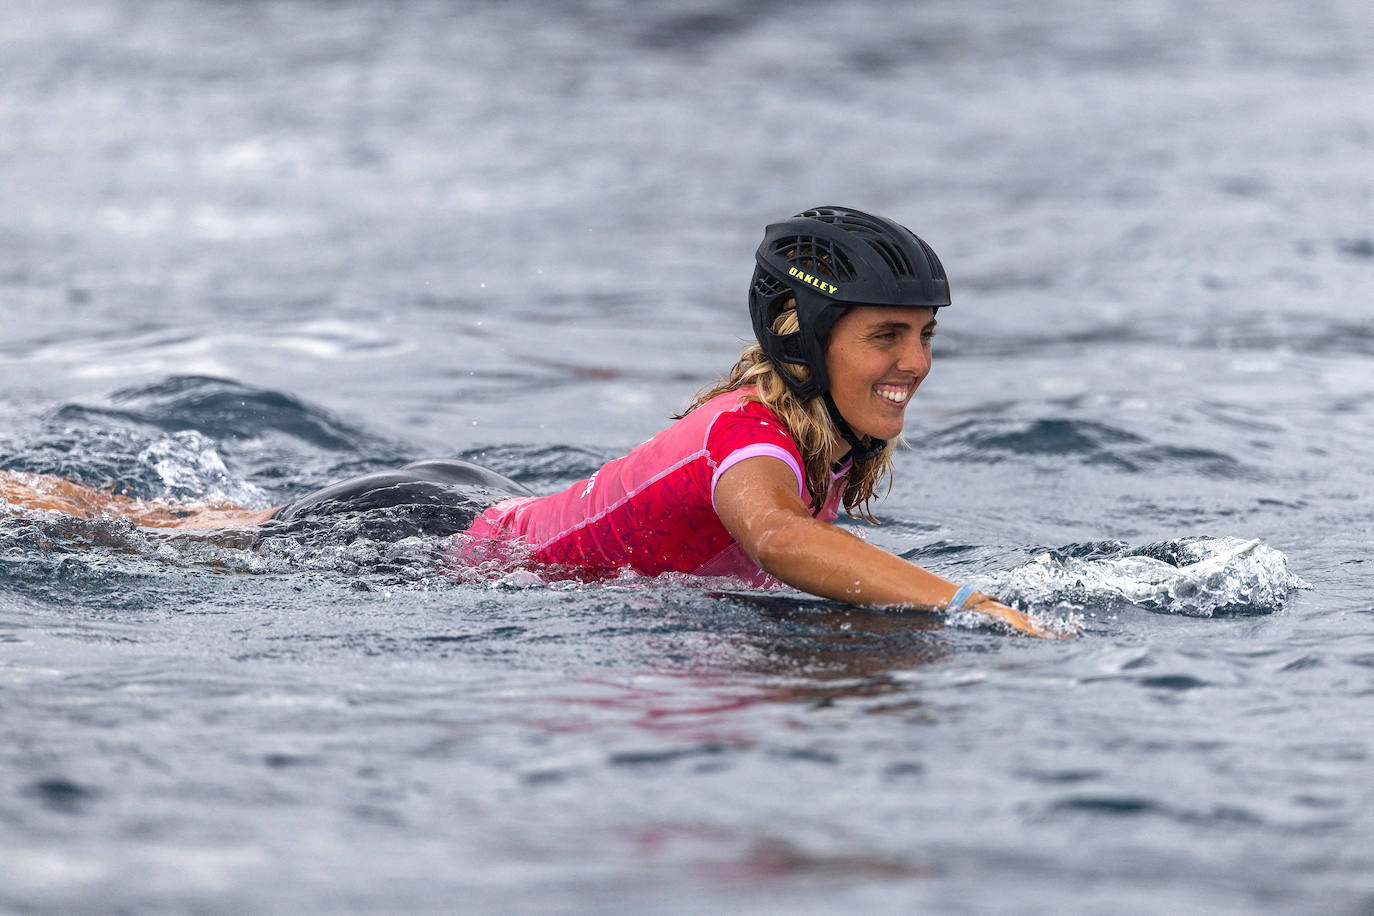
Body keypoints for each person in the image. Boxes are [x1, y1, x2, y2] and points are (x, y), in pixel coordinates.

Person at [0, 206, 1054, 637]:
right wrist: (972, 604)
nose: (914, 361)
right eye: (886, 335)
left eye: (924, 335)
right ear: (800, 331)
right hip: (424, 536)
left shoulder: (817, 443)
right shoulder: (752, 436)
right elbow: (778, 541)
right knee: (145, 534)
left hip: (482, 507)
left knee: (189, 523)